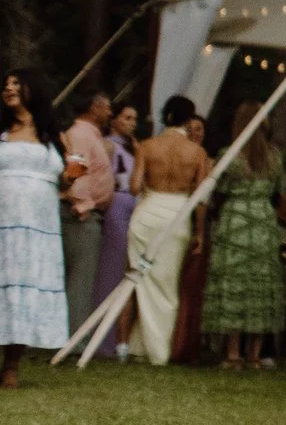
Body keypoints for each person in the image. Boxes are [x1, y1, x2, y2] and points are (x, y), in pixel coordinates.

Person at [125, 95, 211, 364]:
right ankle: (158, 349)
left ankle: (144, 346)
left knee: (144, 279)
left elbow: (135, 187)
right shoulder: (197, 153)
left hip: (147, 215)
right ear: (188, 120)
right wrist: (199, 232)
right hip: (177, 216)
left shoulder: (147, 146)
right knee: (167, 283)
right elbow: (200, 199)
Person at [201, 100, 286, 370]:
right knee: (260, 286)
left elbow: (219, 189)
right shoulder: (274, 157)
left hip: (235, 220)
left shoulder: (230, 155)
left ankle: (233, 353)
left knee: (234, 285)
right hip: (262, 221)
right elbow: (277, 190)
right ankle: (256, 354)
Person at [1, 71, 73, 387]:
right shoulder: (2, 130)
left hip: (40, 225)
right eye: (6, 84)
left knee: (27, 285)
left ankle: (11, 365)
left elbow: (66, 176)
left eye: (16, 83)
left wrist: (71, 178)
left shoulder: (52, 135)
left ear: (33, 89)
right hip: (4, 219)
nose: (8, 88)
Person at [60, 92, 113, 328]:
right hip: (79, 214)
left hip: (86, 211)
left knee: (80, 277)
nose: (110, 113)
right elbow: (76, 172)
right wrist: (82, 205)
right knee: (80, 278)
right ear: (95, 107)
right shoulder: (81, 134)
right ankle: (71, 339)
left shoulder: (90, 135)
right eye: (108, 108)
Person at [95, 103, 139, 335]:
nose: (132, 123)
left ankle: (121, 335)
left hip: (136, 206)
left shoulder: (135, 148)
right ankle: (106, 335)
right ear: (115, 121)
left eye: (135, 119)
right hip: (118, 202)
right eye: (127, 117)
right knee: (113, 267)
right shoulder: (109, 145)